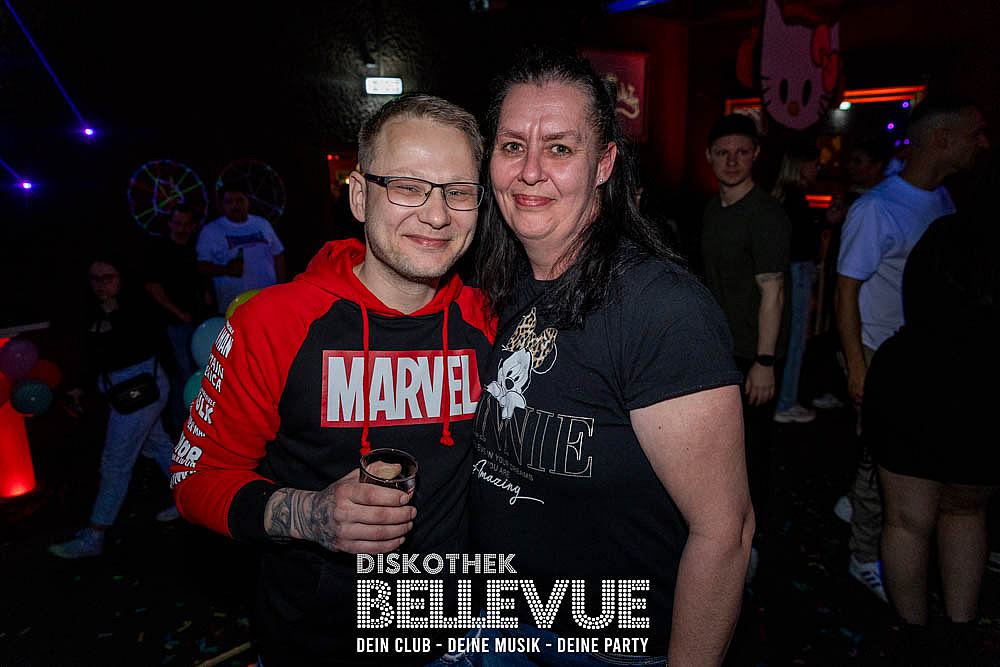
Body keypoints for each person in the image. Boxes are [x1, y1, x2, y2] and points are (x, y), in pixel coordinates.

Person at [171, 94, 494, 665]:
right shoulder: (275, 322)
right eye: (408, 187)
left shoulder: (492, 320)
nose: (437, 215)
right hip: (315, 642)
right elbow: (195, 479)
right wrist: (311, 514)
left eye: (458, 191)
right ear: (360, 195)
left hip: (461, 638)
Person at [471, 49, 752, 665]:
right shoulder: (502, 282)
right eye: (513, 146)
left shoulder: (662, 309)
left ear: (603, 164)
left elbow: (725, 533)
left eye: (560, 149)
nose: (530, 171)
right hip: (497, 622)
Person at [835, 96, 988, 602]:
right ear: (942, 139)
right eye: (974, 133)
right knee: (879, 469)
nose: (982, 142)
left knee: (905, 471)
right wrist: (857, 365)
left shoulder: (944, 201)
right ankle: (863, 556)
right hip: (881, 355)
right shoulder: (876, 208)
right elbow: (846, 291)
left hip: (931, 363)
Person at [865, 195, 998, 664]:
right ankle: (960, 632)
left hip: (914, 374)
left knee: (907, 520)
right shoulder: (962, 234)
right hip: (981, 381)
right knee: (966, 511)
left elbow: (916, 296)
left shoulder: (943, 233)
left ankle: (914, 636)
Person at [700, 113, 791, 576]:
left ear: (755, 155)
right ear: (709, 157)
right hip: (719, 352)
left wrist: (765, 361)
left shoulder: (766, 214)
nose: (732, 161)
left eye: (741, 152)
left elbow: (773, 292)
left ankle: (750, 550)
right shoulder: (712, 209)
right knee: (718, 454)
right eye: (723, 153)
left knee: (751, 455)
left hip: (751, 356)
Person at [49, 255, 175, 558]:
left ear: (121, 278)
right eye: (95, 278)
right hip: (121, 390)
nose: (101, 284)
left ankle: (95, 535)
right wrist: (81, 385)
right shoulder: (92, 310)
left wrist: (114, 315)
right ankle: (195, 498)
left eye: (108, 278)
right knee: (158, 446)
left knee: (115, 461)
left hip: (143, 389)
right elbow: (96, 356)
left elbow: (139, 344)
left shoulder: (137, 306)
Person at [144, 203, 210, 433]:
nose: (181, 228)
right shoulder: (160, 249)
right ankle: (184, 429)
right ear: (170, 224)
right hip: (174, 324)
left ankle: (196, 426)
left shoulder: (195, 249)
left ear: (193, 226)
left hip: (199, 322)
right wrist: (178, 313)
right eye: (177, 223)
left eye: (186, 224)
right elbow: (153, 287)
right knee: (184, 376)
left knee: (197, 374)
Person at [771, 147, 821, 424]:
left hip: (792, 270)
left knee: (790, 337)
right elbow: (801, 241)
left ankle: (785, 399)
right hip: (796, 271)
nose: (817, 170)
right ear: (800, 165)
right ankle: (786, 401)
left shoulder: (782, 196)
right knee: (795, 339)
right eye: (814, 164)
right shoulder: (794, 198)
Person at [197, 183, 286, 314]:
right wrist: (226, 269)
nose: (235, 205)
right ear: (221, 205)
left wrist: (281, 288)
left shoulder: (262, 224)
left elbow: (278, 255)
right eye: (229, 202)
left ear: (248, 201)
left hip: (267, 301)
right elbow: (201, 266)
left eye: (240, 200)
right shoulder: (211, 230)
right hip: (233, 305)